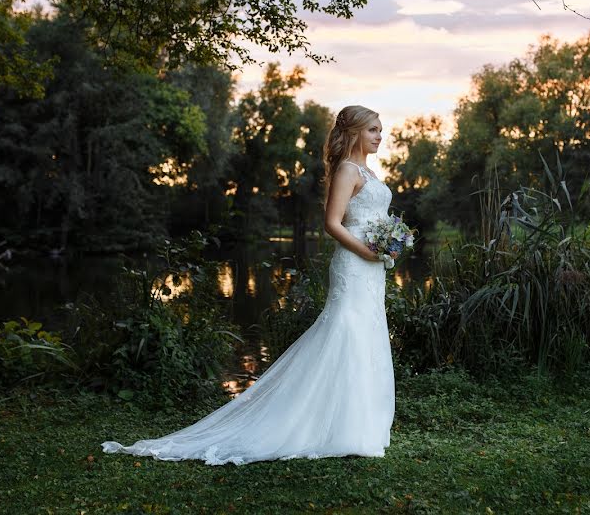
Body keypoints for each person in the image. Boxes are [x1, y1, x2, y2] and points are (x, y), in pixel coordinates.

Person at [101, 105, 395, 465]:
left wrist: (389, 245)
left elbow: (374, 219)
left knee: (366, 333)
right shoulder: (347, 171)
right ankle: (332, 426)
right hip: (355, 263)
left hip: (372, 267)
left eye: (380, 130)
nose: (380, 136)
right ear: (354, 133)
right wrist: (367, 250)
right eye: (373, 130)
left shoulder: (369, 171)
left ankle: (359, 424)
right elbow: (332, 224)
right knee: (345, 330)